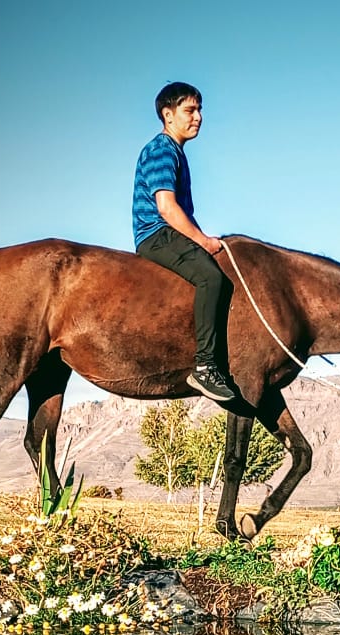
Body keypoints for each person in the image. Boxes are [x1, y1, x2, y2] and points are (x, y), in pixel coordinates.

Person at [133, 81, 238, 405]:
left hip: (168, 233)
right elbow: (166, 207)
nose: (198, 117)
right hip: (156, 234)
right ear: (168, 115)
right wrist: (203, 240)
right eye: (190, 110)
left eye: (200, 110)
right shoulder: (162, 150)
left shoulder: (175, 151)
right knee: (211, 278)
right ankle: (205, 366)